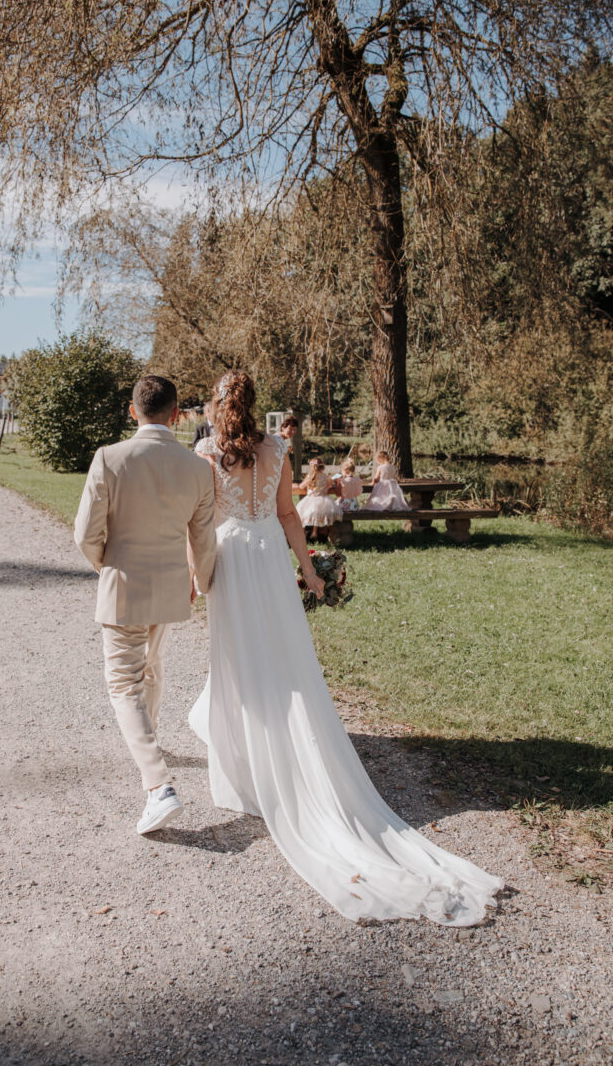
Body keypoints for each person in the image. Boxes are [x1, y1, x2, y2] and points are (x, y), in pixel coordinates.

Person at [191, 371, 502, 926]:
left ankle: (244, 772)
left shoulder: (207, 452)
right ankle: (272, 755)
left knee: (238, 659)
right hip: (266, 554)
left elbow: (201, 519)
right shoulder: (278, 447)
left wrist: (197, 572)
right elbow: (289, 515)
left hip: (232, 557)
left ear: (216, 406)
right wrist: (307, 571)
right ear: (255, 405)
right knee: (285, 656)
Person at [74, 375, 217, 835]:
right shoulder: (197, 468)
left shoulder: (109, 458)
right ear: (176, 414)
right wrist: (201, 580)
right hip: (172, 586)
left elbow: (85, 534)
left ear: (132, 410)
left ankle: (158, 786)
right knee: (151, 669)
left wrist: (106, 566)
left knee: (123, 683)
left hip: (125, 584)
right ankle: (149, 744)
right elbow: (204, 539)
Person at [295, 456, 341, 540]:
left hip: (311, 499)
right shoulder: (326, 476)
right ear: (322, 466)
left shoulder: (310, 476)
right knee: (317, 514)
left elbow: (301, 486)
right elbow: (330, 485)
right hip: (323, 500)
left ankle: (303, 532)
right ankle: (315, 532)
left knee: (302, 514)